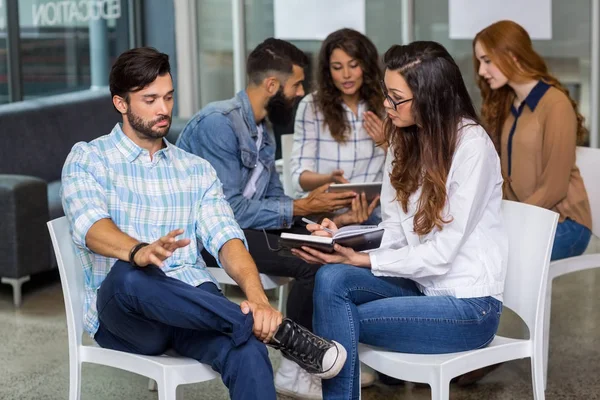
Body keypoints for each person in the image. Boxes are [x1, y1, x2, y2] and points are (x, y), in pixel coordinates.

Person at [60, 47, 346, 400]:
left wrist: (258, 300)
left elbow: (228, 239)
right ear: (121, 103)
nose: (163, 109)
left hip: (194, 309)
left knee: (249, 352)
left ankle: (257, 325)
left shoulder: (195, 169)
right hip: (128, 314)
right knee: (131, 275)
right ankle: (278, 332)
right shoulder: (89, 158)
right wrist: (139, 251)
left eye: (168, 97)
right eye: (149, 100)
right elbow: (92, 228)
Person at [291, 41, 508, 399]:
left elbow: (441, 253)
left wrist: (365, 258)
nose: (387, 107)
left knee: (335, 326)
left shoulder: (472, 146)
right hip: (421, 285)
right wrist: (343, 237)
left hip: (468, 306)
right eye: (387, 96)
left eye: (396, 98)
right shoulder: (404, 139)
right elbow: (394, 228)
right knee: (330, 277)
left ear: (429, 96)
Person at [176, 38, 369, 399]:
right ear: (272, 86)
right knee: (312, 261)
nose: (300, 94)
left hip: (246, 227)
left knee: (326, 244)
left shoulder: (262, 130)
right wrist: (300, 209)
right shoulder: (218, 125)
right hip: (207, 237)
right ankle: (297, 366)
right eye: (296, 85)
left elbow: (275, 198)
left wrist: (315, 215)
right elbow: (227, 211)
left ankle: (321, 356)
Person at [474, 20, 592, 262]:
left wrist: (511, 222)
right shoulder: (509, 104)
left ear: (512, 55)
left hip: (564, 224)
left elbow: (555, 187)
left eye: (487, 61)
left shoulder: (555, 104)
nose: (481, 71)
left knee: (491, 257)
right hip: (528, 218)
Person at [290, 28, 385, 225]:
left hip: (376, 212)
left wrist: (387, 142)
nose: (346, 75)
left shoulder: (385, 105)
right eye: (337, 67)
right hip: (327, 215)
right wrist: (328, 178)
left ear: (366, 66)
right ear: (328, 71)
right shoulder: (311, 106)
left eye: (353, 65)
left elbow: (408, 168)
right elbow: (299, 177)